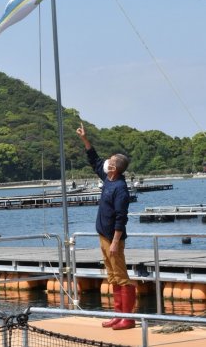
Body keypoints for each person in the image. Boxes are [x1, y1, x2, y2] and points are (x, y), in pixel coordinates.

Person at [76, 123, 136, 330]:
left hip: (114, 238)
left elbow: (121, 217)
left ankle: (127, 318)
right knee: (112, 276)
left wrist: (115, 241)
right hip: (103, 235)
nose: (106, 163)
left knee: (121, 276)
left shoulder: (120, 188)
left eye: (109, 162)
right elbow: (94, 160)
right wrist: (85, 139)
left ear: (114, 168)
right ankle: (117, 315)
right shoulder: (108, 179)